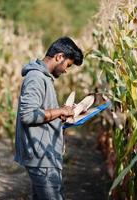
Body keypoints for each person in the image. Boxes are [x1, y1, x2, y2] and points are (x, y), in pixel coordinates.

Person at [14, 36, 83, 200]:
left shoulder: (43, 78)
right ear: (59, 57)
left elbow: (43, 112)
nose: (66, 70)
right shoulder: (36, 78)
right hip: (41, 157)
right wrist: (60, 111)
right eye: (67, 65)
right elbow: (28, 115)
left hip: (45, 155)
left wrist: (61, 116)